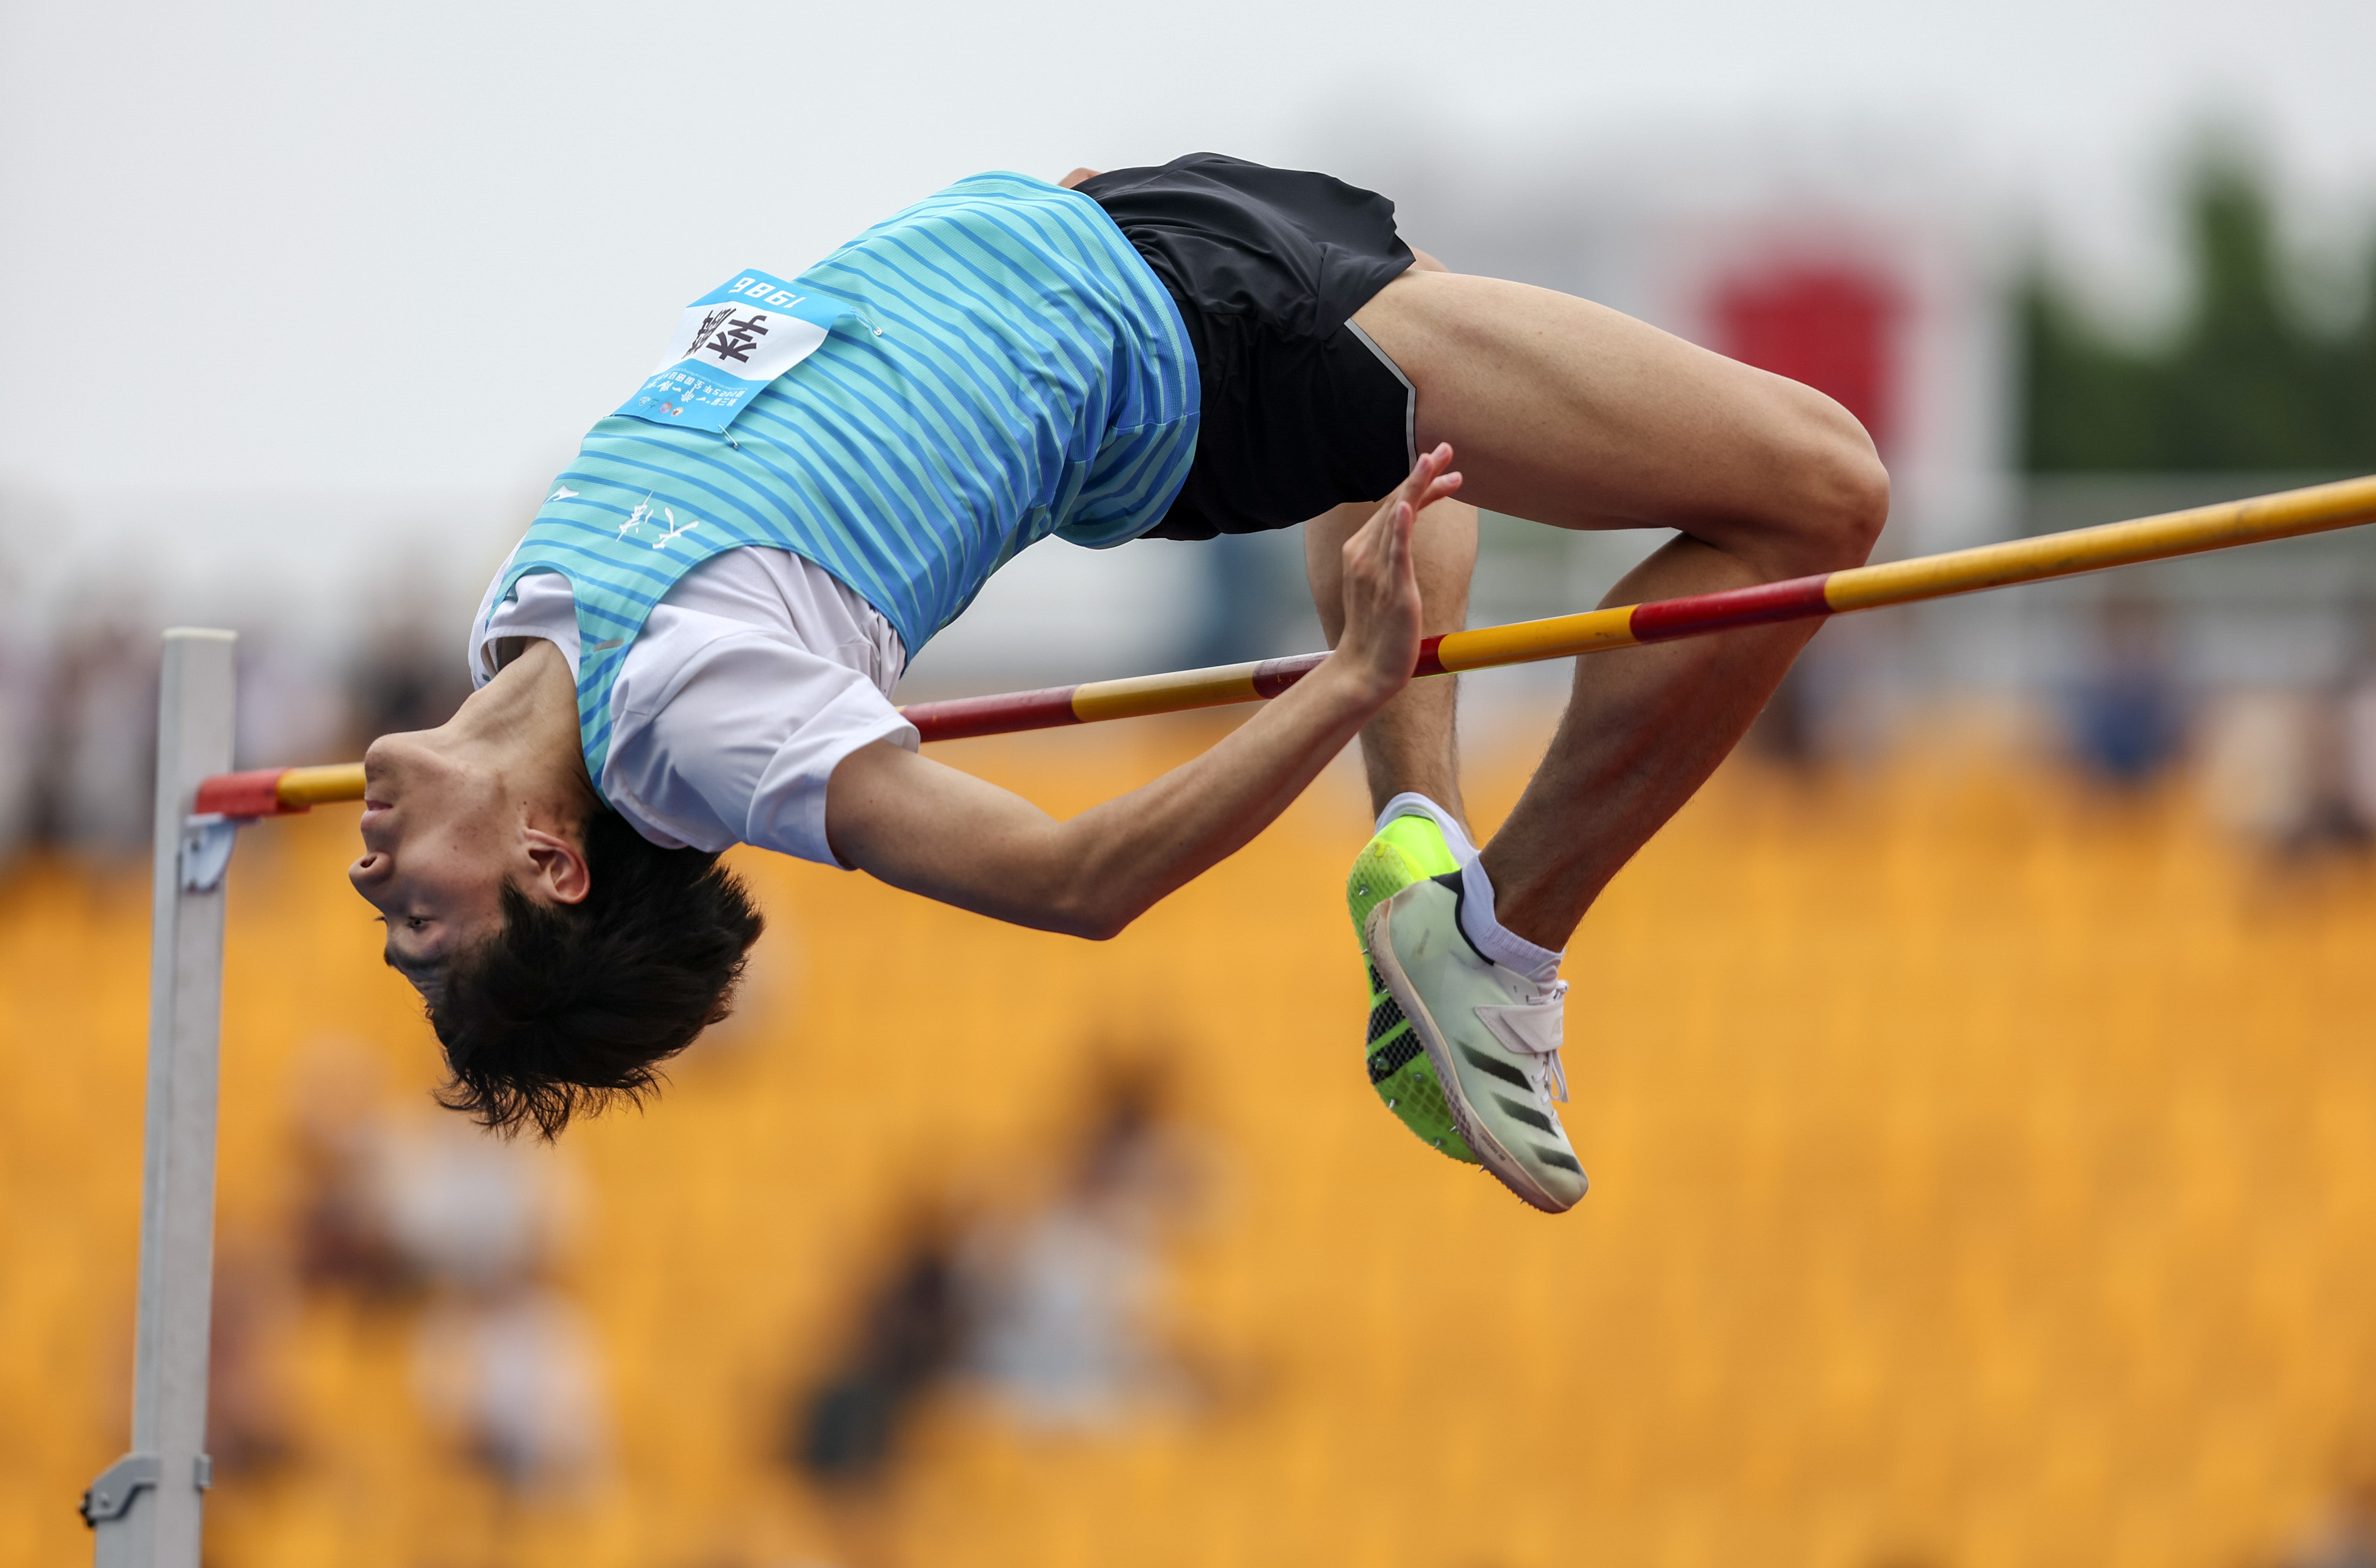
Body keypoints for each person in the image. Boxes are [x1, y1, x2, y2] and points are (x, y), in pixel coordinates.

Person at [350, 155, 1887, 1213]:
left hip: (1123, 230)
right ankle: (1505, 940)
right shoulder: (687, 724)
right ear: (552, 863)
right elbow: (1073, 880)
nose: (370, 884)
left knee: (1422, 455)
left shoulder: (519, 618)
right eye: (423, 924)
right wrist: (1344, 683)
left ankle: (1429, 862)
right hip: (1204, 338)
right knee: (1820, 492)